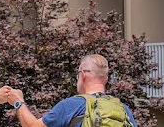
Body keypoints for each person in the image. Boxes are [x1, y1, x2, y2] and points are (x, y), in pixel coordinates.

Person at [7, 54, 137, 127]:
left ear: (83, 74)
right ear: (106, 79)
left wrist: (18, 102)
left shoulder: (71, 105)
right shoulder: (123, 110)